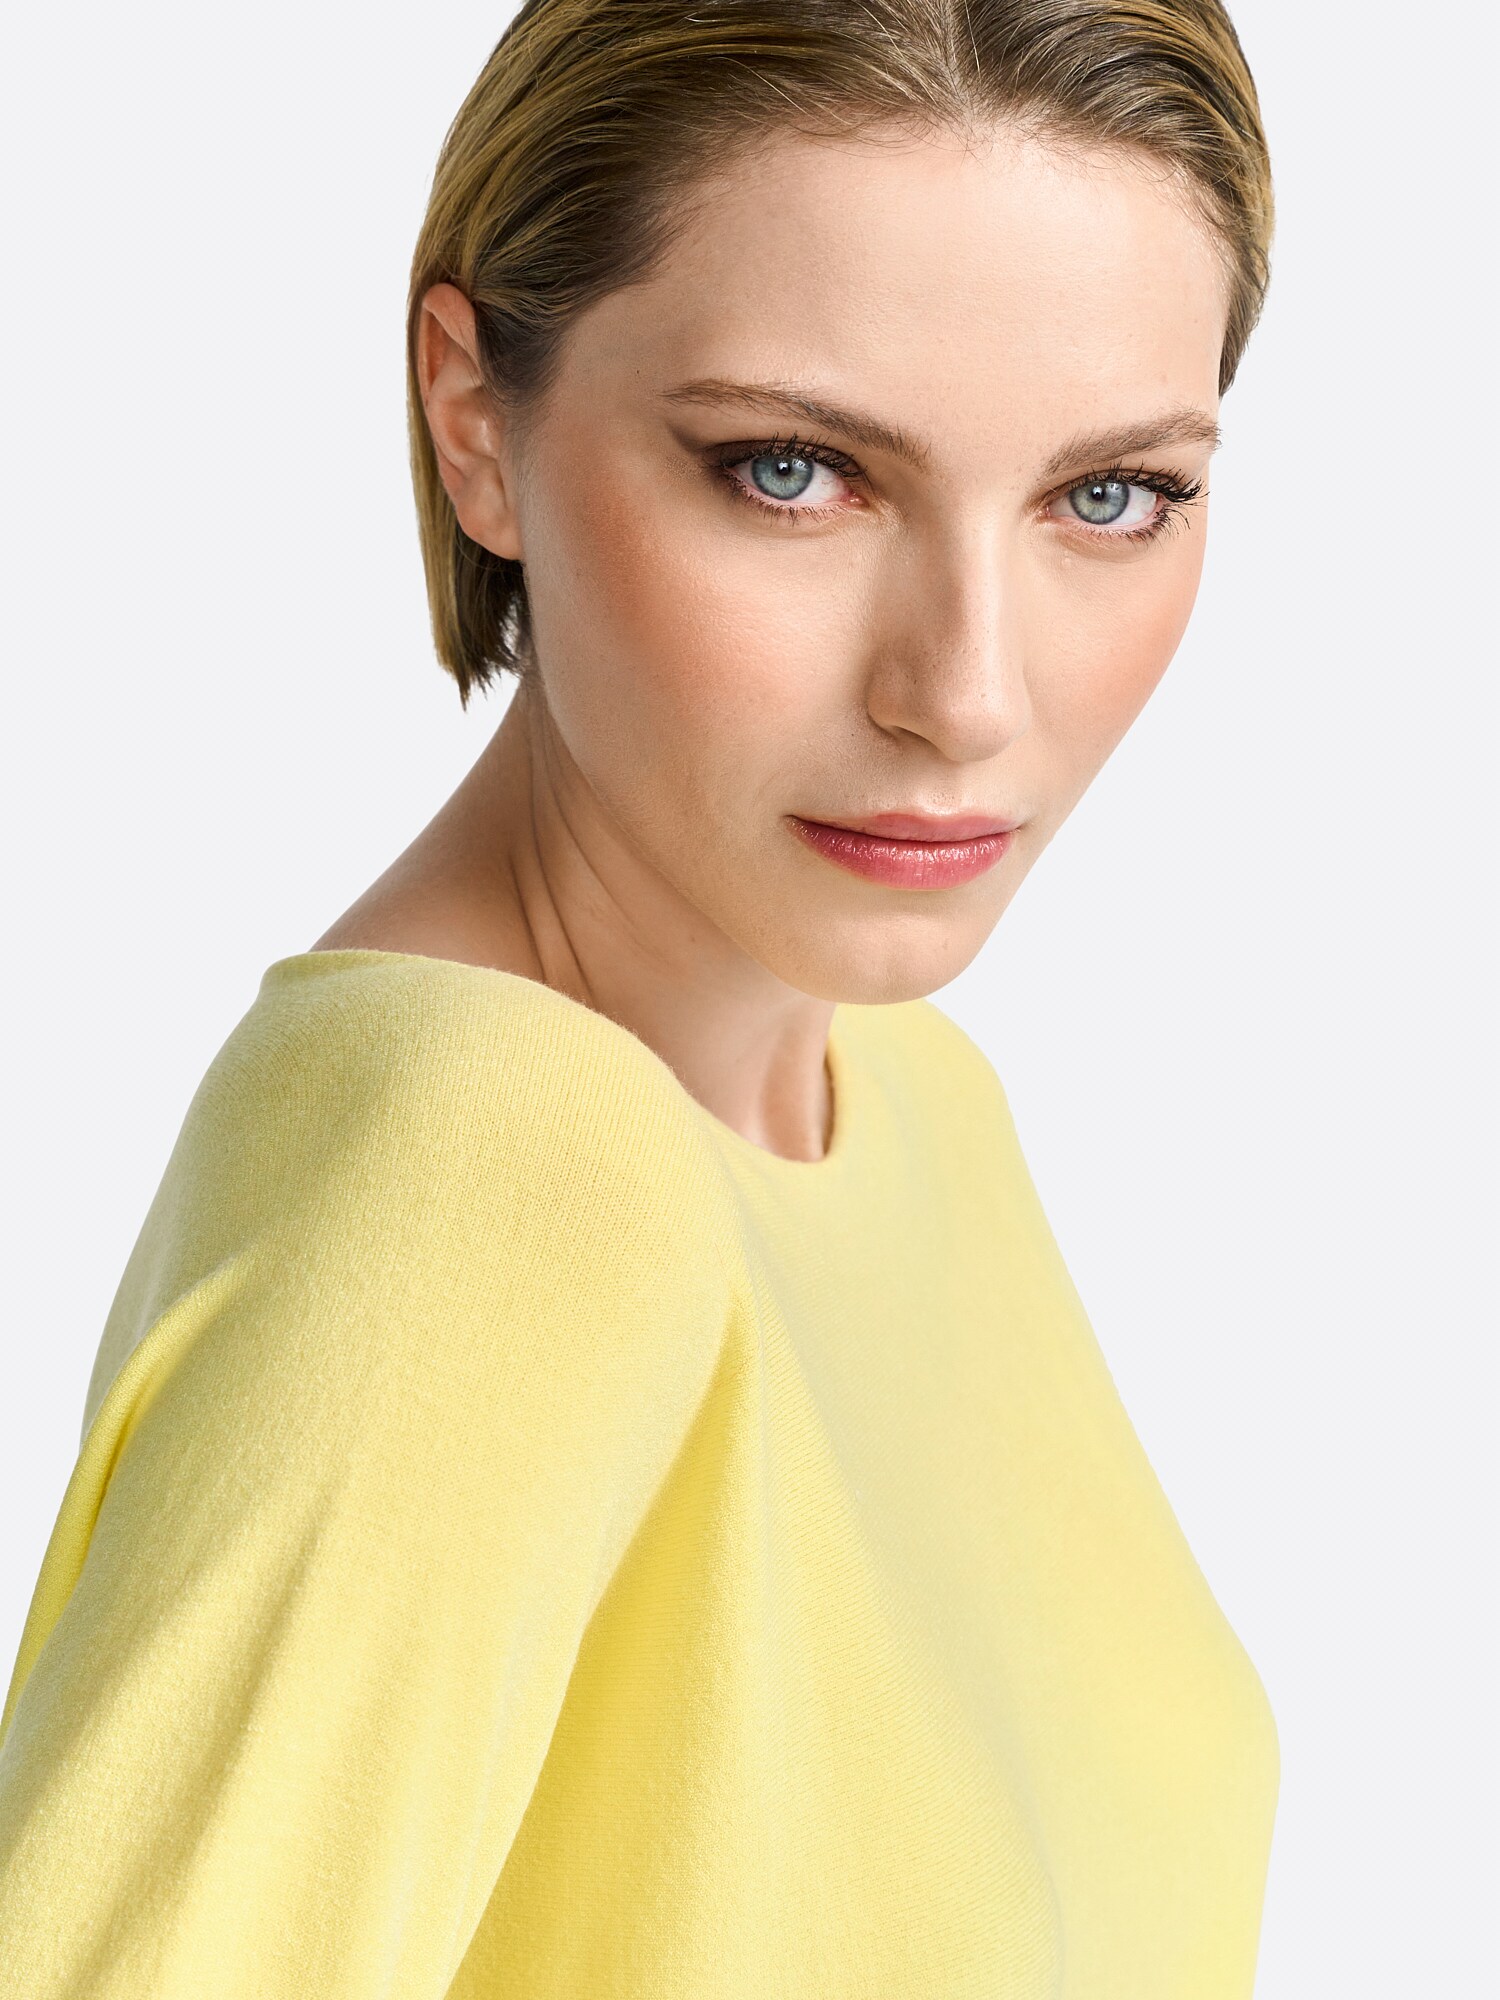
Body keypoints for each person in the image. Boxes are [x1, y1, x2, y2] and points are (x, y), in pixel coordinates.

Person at [0, 1, 1279, 1993]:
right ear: (474, 423)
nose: (966, 694)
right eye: (793, 470)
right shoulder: (488, 1167)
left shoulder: (910, 1099)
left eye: (1110, 496)